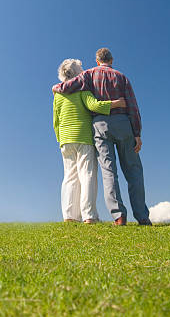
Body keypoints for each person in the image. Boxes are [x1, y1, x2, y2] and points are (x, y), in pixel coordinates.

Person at [53, 48, 151, 226]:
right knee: (134, 170)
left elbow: (68, 87)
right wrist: (137, 133)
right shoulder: (122, 77)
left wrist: (56, 87)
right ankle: (142, 216)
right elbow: (133, 107)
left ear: (97, 61)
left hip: (99, 127)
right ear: (112, 60)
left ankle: (119, 216)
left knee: (108, 173)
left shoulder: (89, 75)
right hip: (123, 124)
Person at [53, 58, 126, 224]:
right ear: (78, 74)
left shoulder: (58, 95)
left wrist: (60, 139)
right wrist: (116, 104)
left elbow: (55, 121)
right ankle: (89, 215)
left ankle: (70, 216)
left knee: (70, 176)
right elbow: (94, 106)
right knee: (87, 175)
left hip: (66, 140)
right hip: (83, 137)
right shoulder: (83, 90)